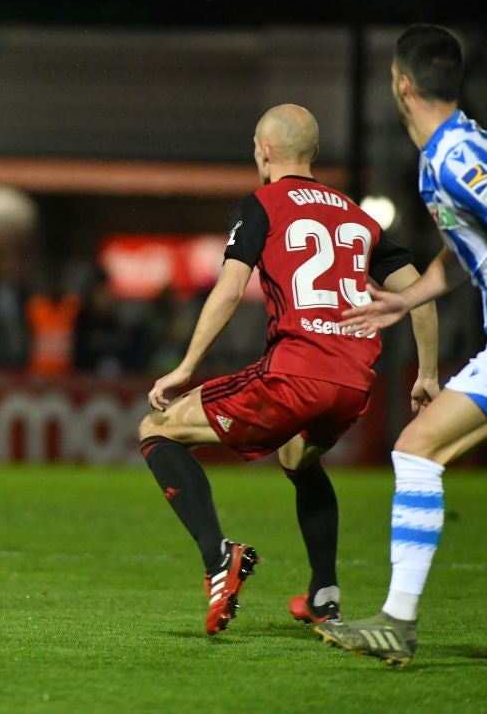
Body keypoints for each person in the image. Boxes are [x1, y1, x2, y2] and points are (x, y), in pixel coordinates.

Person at [141, 104, 439, 636]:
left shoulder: (263, 203)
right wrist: (427, 375)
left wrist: (185, 366)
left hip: (295, 375)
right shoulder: (357, 214)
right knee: (299, 457)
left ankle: (219, 559)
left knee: (156, 431)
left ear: (264, 150)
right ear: (314, 154)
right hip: (352, 384)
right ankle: (324, 596)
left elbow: (230, 289)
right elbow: (422, 297)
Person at [316, 24, 487, 666]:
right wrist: (406, 298)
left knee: (417, 447)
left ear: (402, 84)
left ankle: (397, 622)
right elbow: (466, 249)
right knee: (425, 448)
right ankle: (396, 620)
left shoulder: (457, 156)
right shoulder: (450, 151)